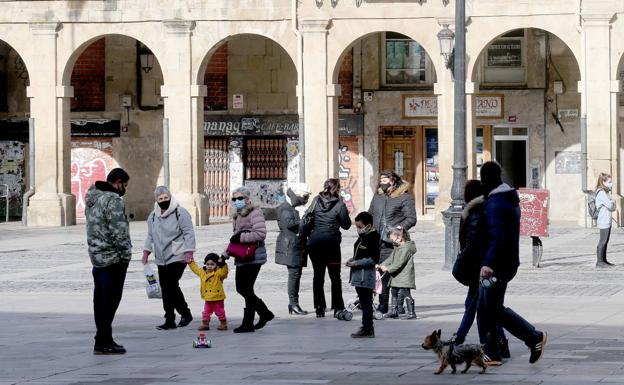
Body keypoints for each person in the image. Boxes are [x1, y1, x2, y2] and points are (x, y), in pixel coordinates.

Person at [477, 161, 547, 366]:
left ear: (486, 178)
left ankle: (532, 336)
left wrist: (488, 263)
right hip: (506, 262)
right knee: (486, 307)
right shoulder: (505, 198)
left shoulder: (496, 203)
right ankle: (492, 352)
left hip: (497, 264)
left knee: (492, 308)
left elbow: (497, 235)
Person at [451, 180, 509, 358]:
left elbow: (473, 244)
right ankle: (500, 343)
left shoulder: (475, 213)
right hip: (488, 266)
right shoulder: (488, 209)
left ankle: (464, 340)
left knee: (477, 306)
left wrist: (461, 260)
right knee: (485, 306)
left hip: (480, 267)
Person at [86, 168, 132, 355]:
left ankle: (103, 338)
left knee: (100, 301)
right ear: (118, 182)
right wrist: (126, 254)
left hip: (97, 257)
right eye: (125, 185)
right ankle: (103, 340)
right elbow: (118, 231)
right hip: (113, 258)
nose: (125, 189)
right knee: (110, 301)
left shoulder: (93, 197)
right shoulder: (113, 200)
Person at [142, 186, 195, 330]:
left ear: (170, 197)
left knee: (170, 285)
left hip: (178, 256)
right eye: (161, 199)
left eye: (166, 198)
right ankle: (170, 319)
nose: (164, 201)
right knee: (166, 288)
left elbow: (188, 232)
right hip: (161, 257)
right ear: (156, 200)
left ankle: (185, 313)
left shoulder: (180, 212)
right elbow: (150, 235)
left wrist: (189, 251)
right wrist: (146, 251)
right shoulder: (153, 216)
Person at [368, 170, 417, 316]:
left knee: (393, 274)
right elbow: (370, 214)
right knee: (379, 272)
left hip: (393, 242)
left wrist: (398, 229)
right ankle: (383, 305)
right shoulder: (378, 196)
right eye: (381, 181)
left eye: (385, 181)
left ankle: (398, 307)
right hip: (375, 240)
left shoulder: (404, 197)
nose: (382, 184)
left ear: (393, 181)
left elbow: (411, 218)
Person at [228, 186, 274, 333]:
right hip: (242, 256)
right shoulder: (237, 214)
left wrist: (241, 237)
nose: (237, 201)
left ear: (247, 199)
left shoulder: (255, 212)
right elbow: (234, 239)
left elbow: (261, 234)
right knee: (243, 289)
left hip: (254, 256)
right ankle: (261, 315)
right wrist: (225, 254)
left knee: (244, 288)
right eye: (234, 199)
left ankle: (256, 318)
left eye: (240, 198)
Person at [306, 178, 352, 318]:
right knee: (335, 277)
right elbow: (346, 225)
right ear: (337, 189)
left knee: (318, 276)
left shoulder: (315, 200)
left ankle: (319, 308)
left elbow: (308, 216)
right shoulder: (339, 204)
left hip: (315, 243)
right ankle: (338, 306)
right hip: (331, 245)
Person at [275, 182, 311, 315]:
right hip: (290, 245)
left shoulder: (293, 207)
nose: (305, 200)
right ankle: (293, 304)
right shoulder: (286, 207)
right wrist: (304, 220)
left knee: (296, 275)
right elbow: (289, 224)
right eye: (305, 196)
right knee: (294, 275)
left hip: (296, 245)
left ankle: (294, 304)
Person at [346, 211, 381, 338]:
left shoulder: (373, 237)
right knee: (363, 302)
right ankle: (366, 327)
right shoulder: (363, 236)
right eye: (357, 227)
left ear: (368, 226)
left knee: (366, 303)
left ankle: (367, 328)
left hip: (364, 276)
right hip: (358, 274)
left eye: (360, 227)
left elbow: (373, 259)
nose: (358, 230)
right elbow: (360, 254)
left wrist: (356, 263)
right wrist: (352, 259)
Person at [377, 225, 417, 320]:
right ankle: (394, 311)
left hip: (404, 276)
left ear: (399, 238)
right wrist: (381, 265)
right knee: (394, 292)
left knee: (405, 293)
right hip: (397, 275)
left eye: (393, 239)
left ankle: (411, 313)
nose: (392, 241)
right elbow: (391, 259)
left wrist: (387, 268)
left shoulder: (406, 249)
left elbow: (399, 263)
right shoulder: (398, 247)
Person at [188, 253, 229, 331]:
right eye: (207, 264)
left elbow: (224, 271)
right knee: (206, 312)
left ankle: (223, 323)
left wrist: (223, 263)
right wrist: (190, 262)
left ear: (217, 265)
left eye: (212, 264)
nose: (210, 266)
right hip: (207, 297)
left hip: (217, 297)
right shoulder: (202, 272)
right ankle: (205, 324)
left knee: (219, 311)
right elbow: (195, 268)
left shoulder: (218, 273)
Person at [595, 173, 616, 267]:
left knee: (606, 241)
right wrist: (613, 202)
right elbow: (611, 206)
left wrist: (612, 203)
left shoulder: (606, 192)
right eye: (609, 182)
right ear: (603, 182)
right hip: (603, 219)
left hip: (606, 219)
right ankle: (599, 261)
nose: (611, 184)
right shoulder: (602, 193)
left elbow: (611, 207)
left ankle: (604, 260)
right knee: (602, 240)